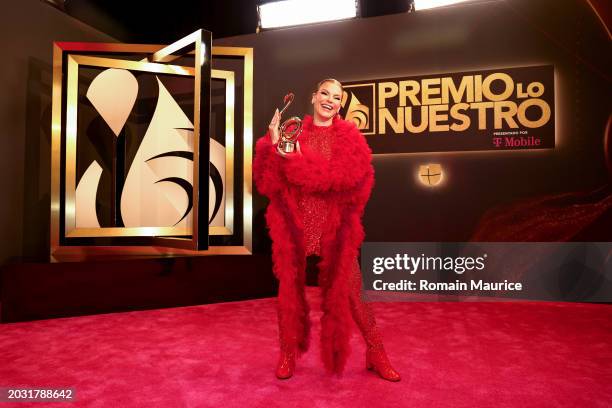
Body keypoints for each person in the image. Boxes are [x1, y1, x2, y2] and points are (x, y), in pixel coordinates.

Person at [253, 79, 400, 381]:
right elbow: (267, 184)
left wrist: (293, 159)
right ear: (314, 97)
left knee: (353, 295)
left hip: (334, 228)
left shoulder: (350, 138)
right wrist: (271, 143)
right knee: (288, 294)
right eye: (325, 94)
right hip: (297, 224)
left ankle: (376, 352)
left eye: (336, 97)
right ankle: (287, 353)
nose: (329, 100)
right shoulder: (293, 131)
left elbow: (341, 181)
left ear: (341, 104)